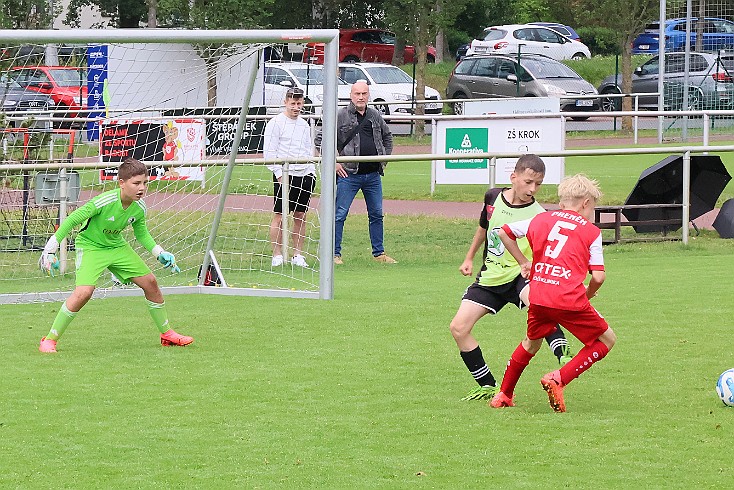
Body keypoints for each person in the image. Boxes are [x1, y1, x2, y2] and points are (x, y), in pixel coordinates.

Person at [37, 157, 194, 353]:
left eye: (145, 183)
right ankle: (49, 339)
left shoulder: (140, 207)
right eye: (136, 183)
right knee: (83, 293)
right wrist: (51, 248)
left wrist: (159, 252)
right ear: (121, 183)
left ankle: (167, 334)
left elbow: (142, 234)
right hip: (91, 246)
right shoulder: (104, 201)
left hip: (117, 246)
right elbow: (72, 219)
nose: (142, 188)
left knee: (151, 283)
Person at [449, 154, 572, 401]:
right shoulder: (492, 197)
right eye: (528, 182)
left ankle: (564, 354)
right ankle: (489, 386)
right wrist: (469, 257)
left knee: (539, 304)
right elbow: (483, 228)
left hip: (521, 275)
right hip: (491, 276)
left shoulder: (539, 214)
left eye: (538, 184)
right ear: (513, 177)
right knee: (458, 328)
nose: (533, 189)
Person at [490, 174, 617, 412]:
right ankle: (559, 378)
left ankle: (504, 395)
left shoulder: (540, 219)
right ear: (586, 202)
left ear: (562, 203)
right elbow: (598, 277)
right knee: (607, 340)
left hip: (538, 295)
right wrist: (588, 293)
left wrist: (523, 263)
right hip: (568, 298)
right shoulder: (591, 231)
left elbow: (504, 232)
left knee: (531, 343)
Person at [315, 80, 396, 265]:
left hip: (373, 175)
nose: (360, 97)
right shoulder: (340, 115)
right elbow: (320, 138)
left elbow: (387, 136)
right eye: (357, 94)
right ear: (351, 95)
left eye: (364, 94)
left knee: (376, 213)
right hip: (348, 175)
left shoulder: (375, 115)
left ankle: (379, 253)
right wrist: (334, 162)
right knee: (339, 214)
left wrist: (383, 159)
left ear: (368, 95)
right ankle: (334, 254)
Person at [263, 87, 316, 268]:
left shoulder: (304, 124)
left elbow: (309, 150)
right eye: (292, 103)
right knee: (280, 216)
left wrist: (312, 172)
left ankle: (298, 255)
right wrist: (279, 175)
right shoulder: (275, 123)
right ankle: (277, 254)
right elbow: (269, 153)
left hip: (305, 175)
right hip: (285, 176)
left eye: (299, 103)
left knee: (301, 215)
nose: (296, 107)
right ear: (286, 102)